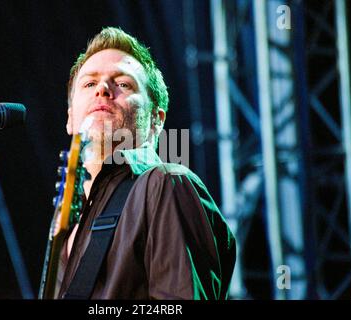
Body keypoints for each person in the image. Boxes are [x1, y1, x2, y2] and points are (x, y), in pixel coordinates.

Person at [56, 27, 236, 299]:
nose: (103, 89)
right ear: (70, 119)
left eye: (123, 84)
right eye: (89, 84)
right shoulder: (67, 223)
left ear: (156, 120)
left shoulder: (166, 184)